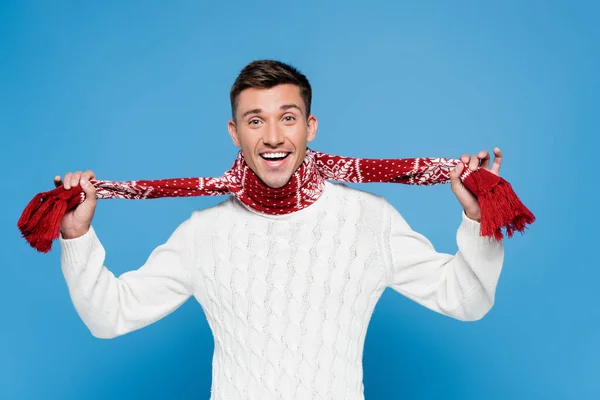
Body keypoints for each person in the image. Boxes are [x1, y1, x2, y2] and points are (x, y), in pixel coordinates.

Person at [54, 60, 504, 400]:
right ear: (235, 132)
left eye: (287, 117)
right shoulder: (203, 234)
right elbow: (108, 317)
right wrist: (76, 237)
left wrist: (480, 218)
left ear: (310, 127)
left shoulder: (369, 220)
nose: (272, 137)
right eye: (255, 120)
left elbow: (466, 300)